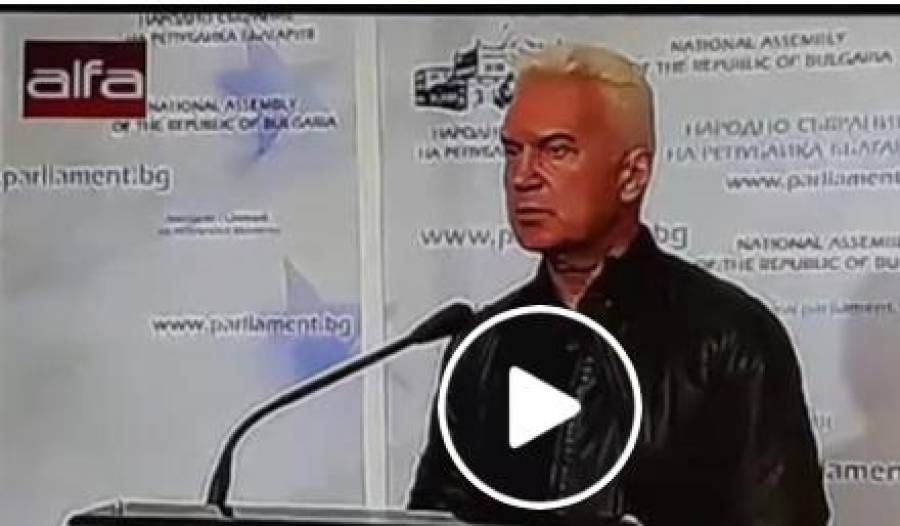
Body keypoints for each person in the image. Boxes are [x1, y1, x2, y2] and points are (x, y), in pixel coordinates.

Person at [407, 43, 830, 526]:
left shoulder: (728, 337)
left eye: (557, 151)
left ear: (633, 175)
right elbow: (436, 515)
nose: (523, 177)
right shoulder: (484, 344)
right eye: (512, 151)